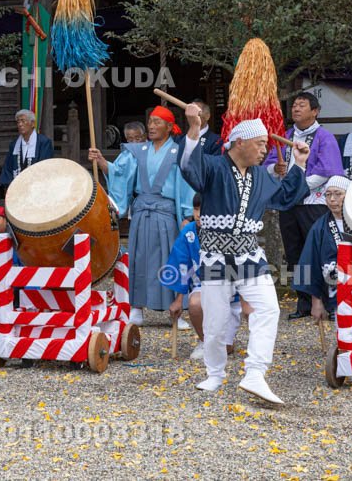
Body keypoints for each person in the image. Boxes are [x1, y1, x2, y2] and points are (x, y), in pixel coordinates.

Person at [180, 110, 310, 402]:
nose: (265, 149)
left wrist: (299, 162)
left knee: (268, 309)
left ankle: (255, 372)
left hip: (250, 255)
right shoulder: (213, 167)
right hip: (215, 256)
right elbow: (189, 167)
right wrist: (194, 128)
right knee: (215, 321)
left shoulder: (261, 178)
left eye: (266, 144)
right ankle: (215, 373)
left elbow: (287, 195)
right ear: (239, 142)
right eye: (260, 143)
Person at [92, 105, 195, 327]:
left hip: (166, 212)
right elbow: (120, 174)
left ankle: (175, 311)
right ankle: (136, 307)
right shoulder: (136, 152)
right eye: (150, 122)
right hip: (142, 212)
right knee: (139, 259)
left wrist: (188, 215)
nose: (151, 126)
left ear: (169, 127)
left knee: (171, 260)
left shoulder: (179, 153)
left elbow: (187, 185)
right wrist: (101, 161)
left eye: (157, 122)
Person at [264, 92, 344, 320]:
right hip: (290, 204)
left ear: (315, 111)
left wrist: (297, 187)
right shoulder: (285, 136)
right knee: (294, 253)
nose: (296, 108)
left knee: (319, 252)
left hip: (313, 203)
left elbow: (326, 170)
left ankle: (329, 301)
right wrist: (275, 171)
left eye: (302, 105)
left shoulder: (324, 137)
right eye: (294, 105)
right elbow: (269, 165)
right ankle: (304, 301)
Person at [165, 193, 249, 360]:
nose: (198, 214)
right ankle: (205, 341)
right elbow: (182, 264)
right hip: (204, 283)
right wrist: (178, 299)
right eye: (196, 209)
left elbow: (243, 266)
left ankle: (224, 341)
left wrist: (245, 299)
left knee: (225, 350)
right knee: (195, 303)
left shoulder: (231, 230)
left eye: (203, 210)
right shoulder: (188, 233)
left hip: (232, 290)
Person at [293, 176, 351, 323]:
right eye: (328, 194)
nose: (332, 199)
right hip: (334, 288)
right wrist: (316, 302)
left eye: (338, 194)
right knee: (344, 331)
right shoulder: (319, 227)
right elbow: (310, 262)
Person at [0, 109, 54, 187]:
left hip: (37, 185)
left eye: (23, 121)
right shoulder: (14, 144)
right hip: (17, 186)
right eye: (18, 122)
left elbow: (45, 166)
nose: (20, 124)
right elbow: (8, 167)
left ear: (32, 124)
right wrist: (10, 185)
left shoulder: (43, 142)